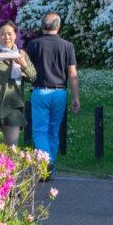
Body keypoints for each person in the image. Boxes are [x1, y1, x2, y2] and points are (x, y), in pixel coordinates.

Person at [25, 12, 81, 173]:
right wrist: (76, 96)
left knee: (39, 131)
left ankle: (46, 163)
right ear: (58, 26)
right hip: (60, 92)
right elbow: (72, 73)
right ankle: (50, 169)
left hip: (40, 91)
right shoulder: (67, 46)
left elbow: (26, 69)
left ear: (42, 26)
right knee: (53, 132)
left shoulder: (34, 44)